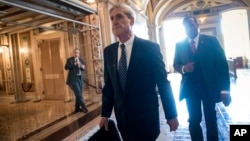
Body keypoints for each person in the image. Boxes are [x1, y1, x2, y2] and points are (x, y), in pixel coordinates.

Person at [99, 3, 179, 141]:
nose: (114, 21)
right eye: (112, 18)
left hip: (146, 117)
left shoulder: (150, 48)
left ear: (131, 21)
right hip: (122, 117)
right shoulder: (109, 52)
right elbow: (109, 86)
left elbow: (163, 83)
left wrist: (171, 114)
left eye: (119, 17)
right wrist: (105, 114)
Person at [173, 16, 231, 141]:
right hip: (190, 89)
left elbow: (222, 66)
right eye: (186, 25)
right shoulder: (179, 45)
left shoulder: (212, 41)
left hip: (208, 87)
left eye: (192, 24)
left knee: (211, 119)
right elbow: (176, 64)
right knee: (194, 120)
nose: (189, 27)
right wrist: (184, 68)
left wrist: (225, 90)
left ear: (197, 25)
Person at [65, 48, 88, 113]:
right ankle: (84, 107)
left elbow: (84, 69)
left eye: (77, 52)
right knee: (78, 93)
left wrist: (81, 66)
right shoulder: (70, 60)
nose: (76, 54)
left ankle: (77, 108)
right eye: (75, 52)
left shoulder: (81, 60)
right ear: (73, 53)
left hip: (80, 78)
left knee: (78, 93)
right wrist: (74, 64)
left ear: (79, 53)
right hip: (73, 79)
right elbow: (66, 67)